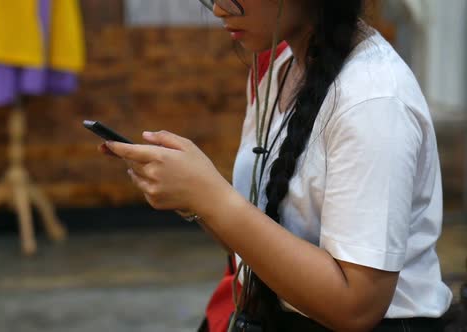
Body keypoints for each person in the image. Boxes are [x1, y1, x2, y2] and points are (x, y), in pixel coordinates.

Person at [99, 0, 453, 330]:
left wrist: (211, 198)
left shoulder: (372, 101)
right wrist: (192, 197)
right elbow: (265, 242)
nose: (220, 8)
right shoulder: (283, 66)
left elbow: (357, 308)